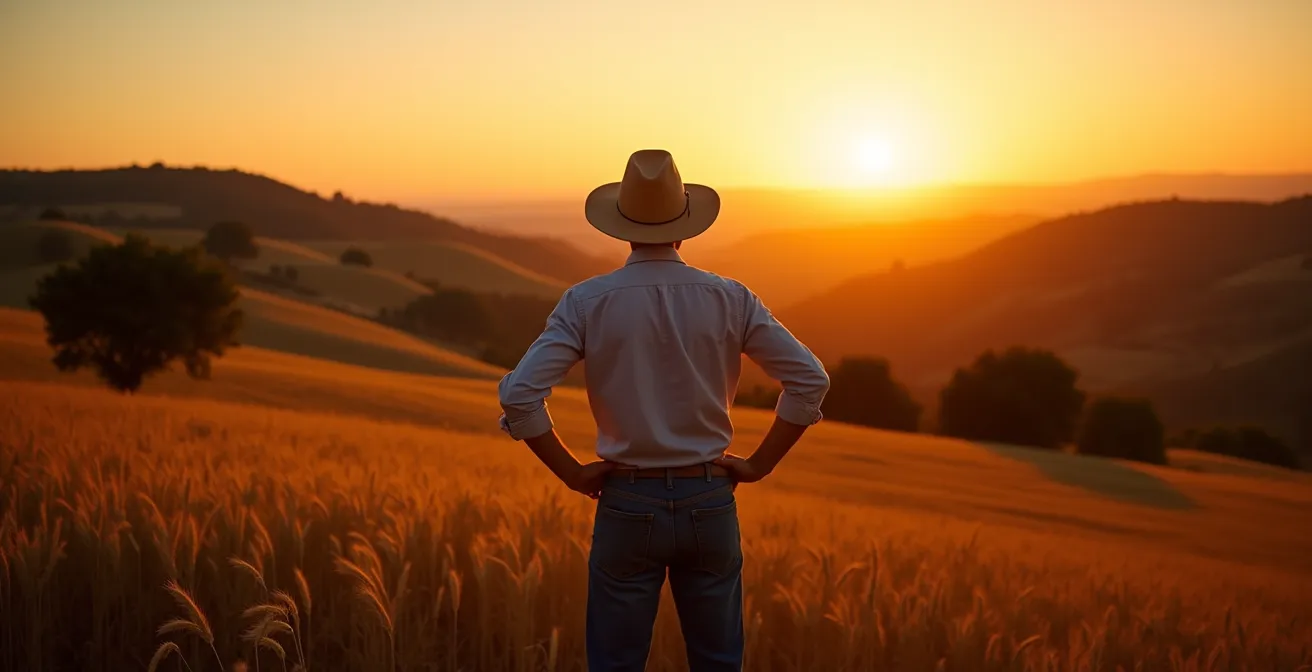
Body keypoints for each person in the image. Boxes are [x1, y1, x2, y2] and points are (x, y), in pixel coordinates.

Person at [496, 149, 830, 671]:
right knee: (719, 662)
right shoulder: (731, 298)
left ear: (622, 228)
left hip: (626, 498)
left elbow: (520, 394)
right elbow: (809, 379)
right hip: (710, 500)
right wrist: (760, 464)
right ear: (686, 227)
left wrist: (571, 472)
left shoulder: (586, 302)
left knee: (616, 663)